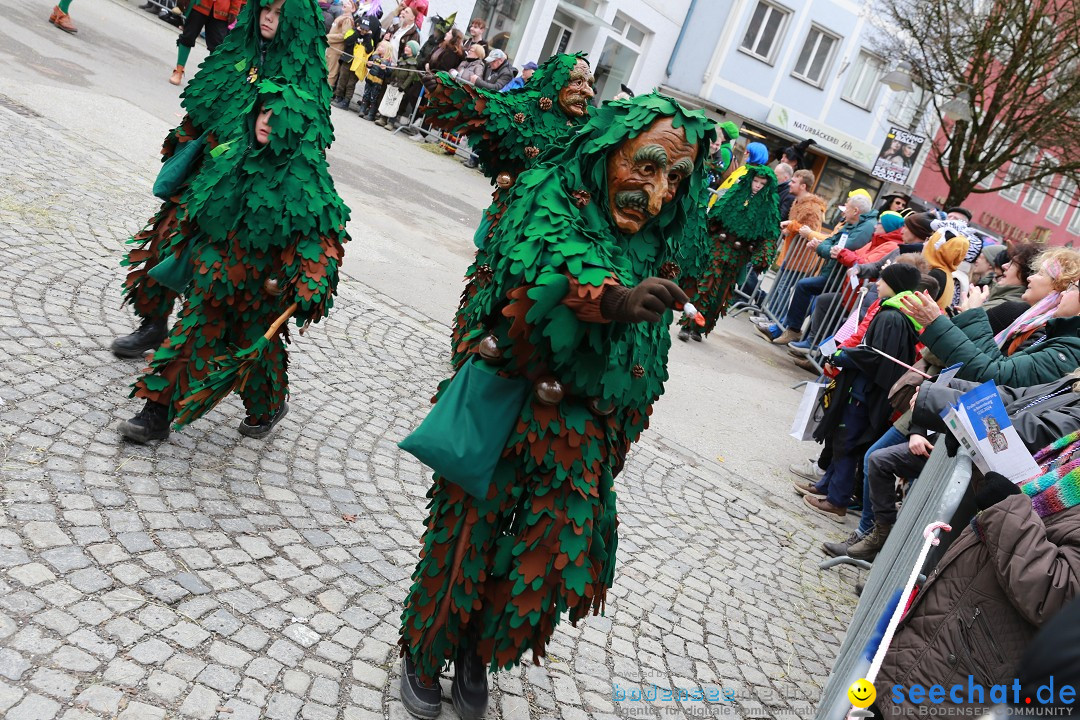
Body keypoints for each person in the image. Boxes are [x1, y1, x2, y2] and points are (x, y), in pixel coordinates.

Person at [397, 93, 715, 720]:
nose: (656, 195)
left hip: (581, 427)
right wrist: (614, 299)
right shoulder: (549, 190)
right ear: (607, 151)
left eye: (674, 179)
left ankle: (477, 651)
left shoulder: (660, 238)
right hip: (508, 396)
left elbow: (646, 353)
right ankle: (426, 645)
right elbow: (550, 263)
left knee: (550, 550)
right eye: (645, 168)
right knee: (467, 531)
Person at [118, 82, 350, 443]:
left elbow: (321, 244)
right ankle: (155, 415)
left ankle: (268, 406)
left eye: (278, 118)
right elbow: (200, 210)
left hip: (261, 295)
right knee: (187, 341)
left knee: (256, 358)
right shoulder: (231, 158)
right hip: (213, 283)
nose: (267, 122)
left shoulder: (310, 185)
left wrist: (311, 282)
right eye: (263, 113)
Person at [113, 0, 335, 360]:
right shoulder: (238, 49)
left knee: (222, 281)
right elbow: (204, 101)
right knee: (162, 242)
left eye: (279, 14)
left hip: (248, 195)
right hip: (203, 177)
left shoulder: (302, 72)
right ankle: (153, 323)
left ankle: (250, 373)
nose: (268, 18)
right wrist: (185, 142)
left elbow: (305, 146)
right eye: (266, 9)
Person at [870, 445, 1080, 717]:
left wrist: (1007, 507)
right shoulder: (1070, 449)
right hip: (944, 632)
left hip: (969, 663)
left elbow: (1059, 597)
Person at [421, 54, 596, 355]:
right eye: (578, 82)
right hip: (512, 221)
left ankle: (520, 355)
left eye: (590, 85)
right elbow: (488, 109)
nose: (588, 92)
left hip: (560, 233)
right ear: (556, 84)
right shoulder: (525, 108)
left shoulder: (590, 129)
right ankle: (471, 344)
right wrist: (445, 88)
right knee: (493, 279)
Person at [803, 263, 925, 521]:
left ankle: (837, 501)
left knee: (847, 443)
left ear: (895, 284)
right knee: (841, 440)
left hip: (865, 392)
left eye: (883, 279)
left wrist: (841, 356)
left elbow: (874, 356)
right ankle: (827, 486)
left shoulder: (892, 317)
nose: (877, 283)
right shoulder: (894, 312)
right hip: (864, 389)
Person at [899, 250, 1080, 386]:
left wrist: (968, 314)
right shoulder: (1030, 319)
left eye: (1041, 273)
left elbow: (994, 372)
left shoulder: (1034, 323)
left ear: (1057, 286)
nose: (1030, 277)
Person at [756, 190, 878, 345]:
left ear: (855, 210)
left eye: (847, 207)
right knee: (808, 298)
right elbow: (832, 242)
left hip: (840, 277)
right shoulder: (852, 223)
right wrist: (825, 248)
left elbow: (842, 248)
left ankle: (802, 338)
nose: (844, 211)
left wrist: (822, 248)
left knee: (807, 292)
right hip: (831, 271)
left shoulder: (865, 226)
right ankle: (783, 330)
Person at [680, 164, 780, 342]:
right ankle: (688, 324)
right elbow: (716, 215)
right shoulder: (736, 192)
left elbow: (770, 235)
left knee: (721, 292)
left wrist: (763, 256)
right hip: (719, 245)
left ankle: (701, 328)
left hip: (739, 255)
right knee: (706, 284)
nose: (757, 185)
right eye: (755, 181)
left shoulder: (769, 207)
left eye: (761, 183)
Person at [170, 0, 244, 86]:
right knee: (188, 37)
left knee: (217, 47)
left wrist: (234, 10)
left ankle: (210, 78)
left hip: (222, 10)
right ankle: (178, 71)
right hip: (199, 5)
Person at [377, 40, 421, 128]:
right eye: (406, 46)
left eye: (409, 47)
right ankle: (383, 118)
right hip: (394, 83)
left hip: (401, 87)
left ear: (413, 50)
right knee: (388, 101)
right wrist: (390, 79)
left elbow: (410, 76)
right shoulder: (401, 59)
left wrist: (403, 87)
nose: (406, 48)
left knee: (396, 105)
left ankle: (391, 123)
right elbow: (395, 71)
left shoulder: (412, 63)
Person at [358, 38, 394, 120]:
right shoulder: (374, 56)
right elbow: (368, 65)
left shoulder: (388, 61)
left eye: (382, 47)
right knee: (366, 94)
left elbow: (389, 73)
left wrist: (385, 69)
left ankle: (371, 114)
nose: (379, 48)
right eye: (379, 46)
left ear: (387, 51)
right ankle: (362, 110)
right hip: (370, 78)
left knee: (373, 98)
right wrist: (368, 64)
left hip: (378, 81)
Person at [325, 0, 356, 88]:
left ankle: (327, 92)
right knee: (327, 68)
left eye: (349, 3)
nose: (345, 3)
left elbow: (344, 36)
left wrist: (328, 37)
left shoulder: (348, 20)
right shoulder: (342, 16)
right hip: (331, 47)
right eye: (346, 2)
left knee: (332, 71)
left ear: (353, 9)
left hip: (336, 49)